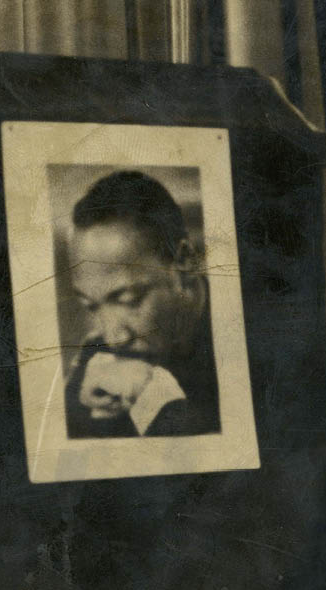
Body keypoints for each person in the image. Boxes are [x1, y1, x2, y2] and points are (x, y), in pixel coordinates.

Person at [63, 169, 220, 439]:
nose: (114, 338)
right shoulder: (95, 356)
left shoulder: (251, 341)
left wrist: (153, 398)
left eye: (128, 299)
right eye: (92, 305)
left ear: (183, 263)